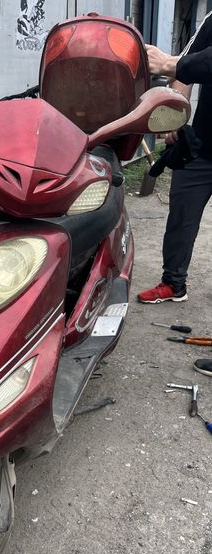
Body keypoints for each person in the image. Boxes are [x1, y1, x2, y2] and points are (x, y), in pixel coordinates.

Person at [136, 11, 212, 377]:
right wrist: (176, 113)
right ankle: (173, 283)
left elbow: (177, 64)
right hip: (202, 148)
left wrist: (169, 62)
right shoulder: (211, 19)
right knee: (181, 217)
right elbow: (186, 69)